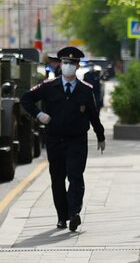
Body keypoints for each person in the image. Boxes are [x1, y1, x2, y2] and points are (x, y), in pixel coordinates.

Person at [21, 46, 106, 232]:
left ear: (77, 67)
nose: (68, 66)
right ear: (60, 64)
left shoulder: (85, 90)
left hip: (77, 140)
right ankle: (62, 217)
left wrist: (101, 136)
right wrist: (39, 114)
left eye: (72, 63)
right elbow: (25, 98)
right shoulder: (49, 86)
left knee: (75, 176)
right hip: (55, 140)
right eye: (65, 62)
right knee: (57, 179)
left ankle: (74, 213)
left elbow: (93, 114)